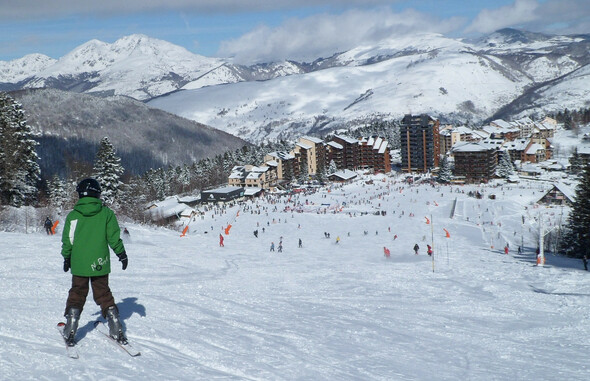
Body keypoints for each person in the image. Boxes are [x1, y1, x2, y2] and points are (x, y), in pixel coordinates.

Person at [60, 178, 128, 346]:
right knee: (103, 293)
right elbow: (113, 238)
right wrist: (121, 254)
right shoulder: (106, 213)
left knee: (77, 292)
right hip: (100, 263)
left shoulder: (73, 216)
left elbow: (68, 240)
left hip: (80, 263)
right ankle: (116, 327)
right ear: (97, 193)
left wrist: (67, 257)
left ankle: (70, 328)